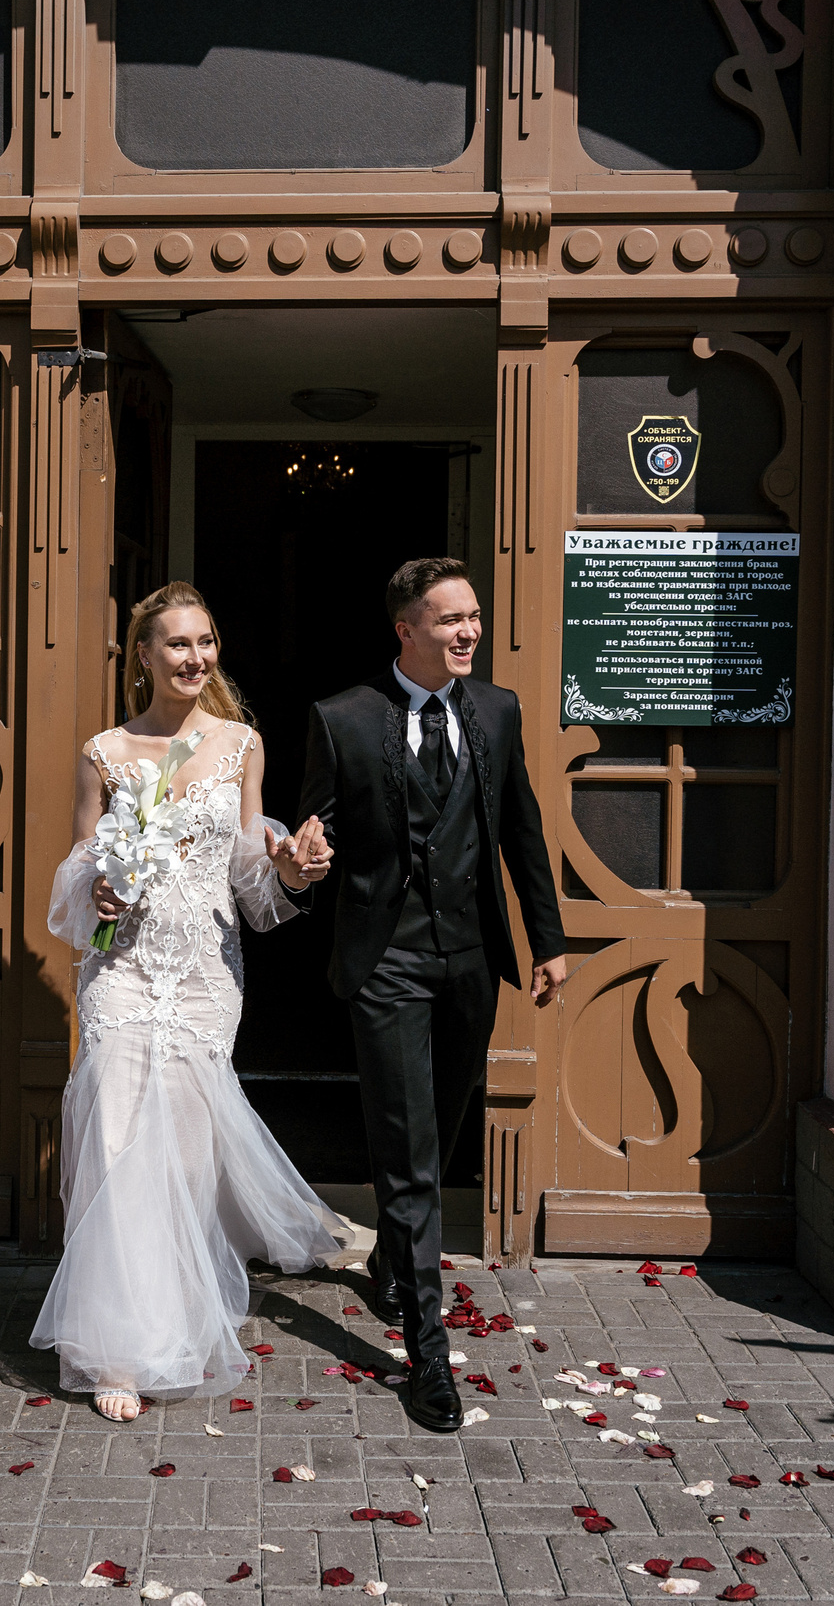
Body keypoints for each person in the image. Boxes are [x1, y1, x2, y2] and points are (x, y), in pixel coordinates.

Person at [31, 582, 344, 1422]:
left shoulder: (242, 743)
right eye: (177, 644)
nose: (195, 657)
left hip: (206, 974)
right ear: (143, 654)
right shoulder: (104, 751)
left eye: (205, 641)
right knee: (119, 1141)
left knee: (188, 1155)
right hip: (124, 972)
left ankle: (180, 1318)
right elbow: (77, 863)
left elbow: (248, 868)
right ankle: (116, 1349)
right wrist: (95, 888)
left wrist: (286, 868)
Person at [294, 557, 566, 1434]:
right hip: (387, 964)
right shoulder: (342, 718)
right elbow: (314, 835)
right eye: (449, 619)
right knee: (410, 1155)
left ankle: (389, 1268)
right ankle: (429, 1357)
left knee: (440, 1125)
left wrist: (548, 941)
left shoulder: (496, 710)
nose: (468, 632)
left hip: (472, 960)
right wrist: (300, 861)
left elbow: (520, 824)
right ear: (405, 628)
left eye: (473, 617)